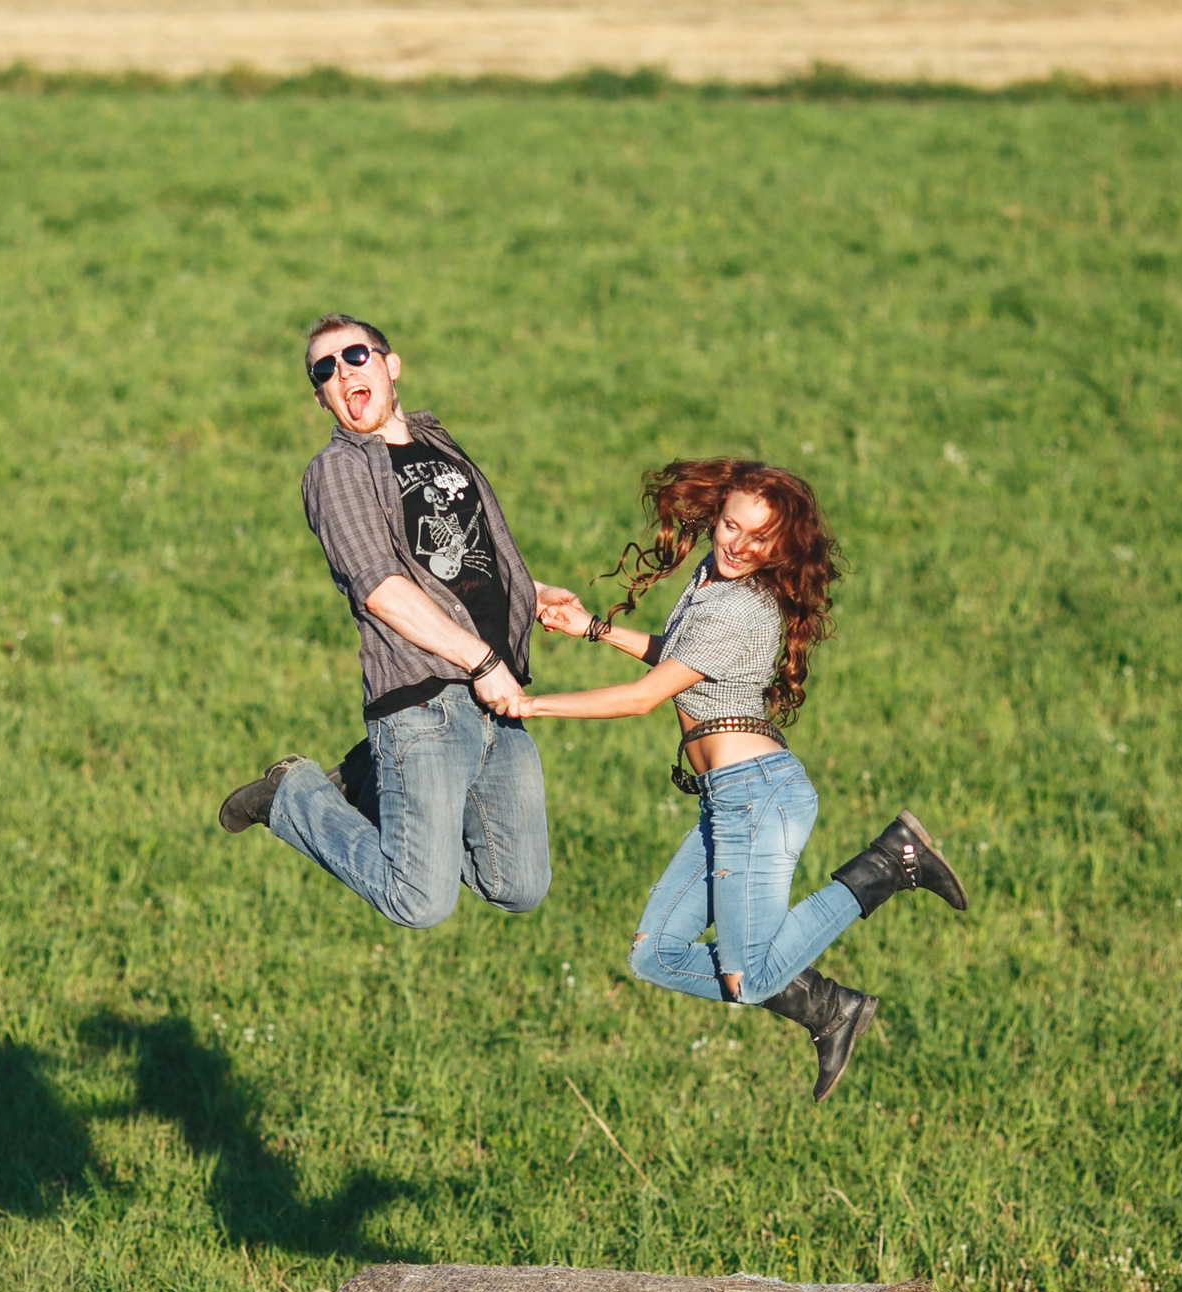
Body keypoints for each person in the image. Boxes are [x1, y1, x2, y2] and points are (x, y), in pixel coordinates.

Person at [504, 459, 968, 1099]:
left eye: (758, 539)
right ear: (716, 514)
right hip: (729, 800)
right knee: (655, 954)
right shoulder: (711, 580)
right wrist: (592, 628)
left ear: (781, 547)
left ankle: (891, 863)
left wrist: (530, 705)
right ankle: (830, 1007)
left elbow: (644, 698)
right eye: (729, 525)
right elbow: (676, 655)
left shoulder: (744, 606)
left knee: (747, 978)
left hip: (758, 796)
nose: (737, 545)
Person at [217, 315, 583, 929]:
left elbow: (468, 554)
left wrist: (532, 591)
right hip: (425, 701)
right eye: (324, 369)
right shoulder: (336, 472)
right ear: (320, 396)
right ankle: (294, 795)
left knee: (519, 885)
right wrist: (483, 661)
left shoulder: (438, 443)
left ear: (390, 365)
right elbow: (382, 590)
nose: (343, 372)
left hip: (498, 701)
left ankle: (366, 774)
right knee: (419, 899)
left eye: (355, 355)